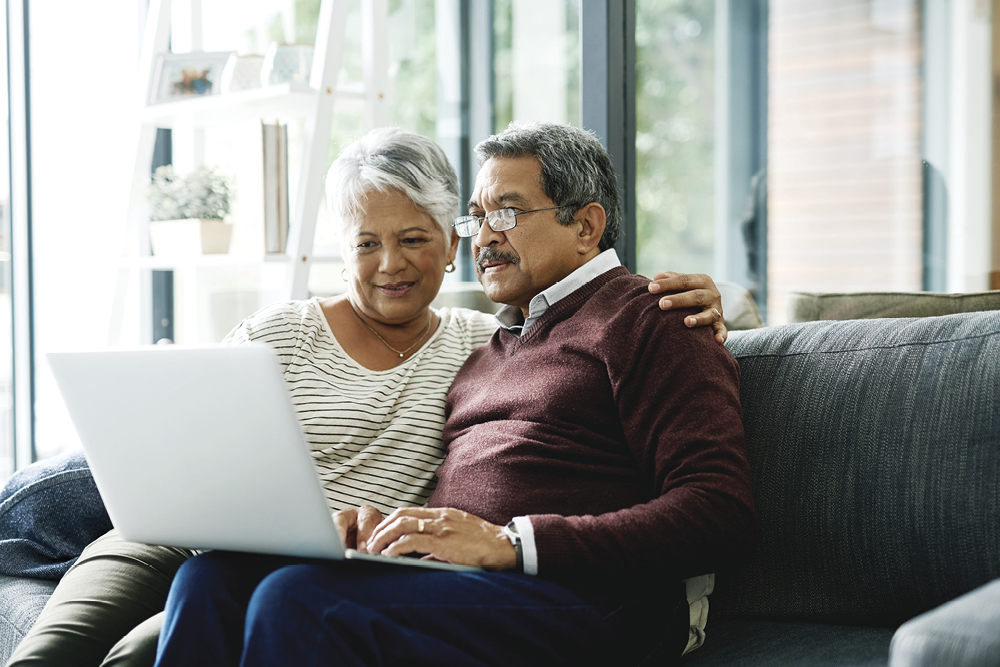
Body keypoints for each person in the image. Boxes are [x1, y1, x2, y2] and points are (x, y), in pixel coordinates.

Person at [6, 127, 728, 667]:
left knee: (295, 600)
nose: (482, 239)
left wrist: (512, 543)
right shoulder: (497, 344)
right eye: (479, 219)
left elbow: (718, 508)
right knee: (211, 577)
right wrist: (380, 533)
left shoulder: (653, 317)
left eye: (504, 213)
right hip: (443, 577)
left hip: (590, 598)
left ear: (587, 225)